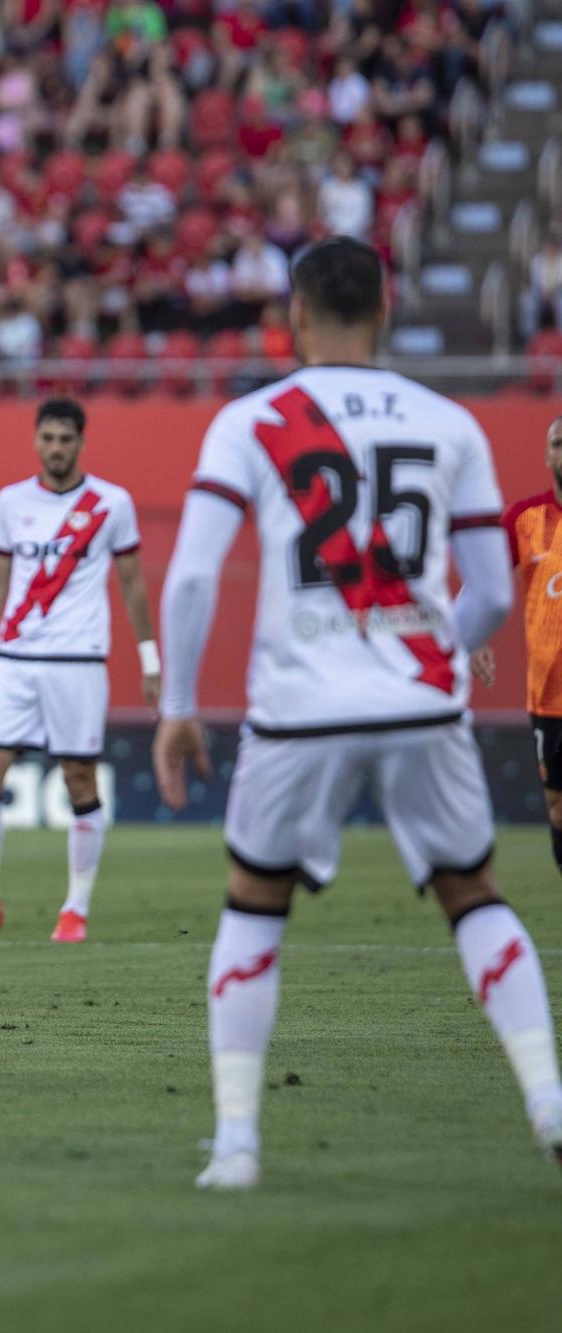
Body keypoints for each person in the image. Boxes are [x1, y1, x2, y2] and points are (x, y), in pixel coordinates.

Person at [154, 236, 561, 1189]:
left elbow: (195, 576)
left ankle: (239, 1146)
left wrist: (178, 704)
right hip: (423, 705)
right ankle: (547, 1101)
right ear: (386, 311)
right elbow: (494, 592)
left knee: (256, 906)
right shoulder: (448, 421)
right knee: (474, 893)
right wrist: (429, 653)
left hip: (299, 708)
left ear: (293, 313)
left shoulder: (252, 422)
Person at [0, 397, 159, 944]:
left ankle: (75, 909)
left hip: (78, 661)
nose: (56, 448)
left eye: (66, 439)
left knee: (79, 778)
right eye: (48, 438)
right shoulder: (11, 502)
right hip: (15, 661)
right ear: (36, 441)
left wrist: (151, 660)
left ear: (81, 443)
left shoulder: (111, 504)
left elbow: (133, 584)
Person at [483, 415, 562, 876]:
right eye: (558, 443)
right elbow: (484, 583)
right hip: (549, 696)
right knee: (557, 809)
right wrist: (475, 638)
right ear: (546, 455)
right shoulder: (525, 519)